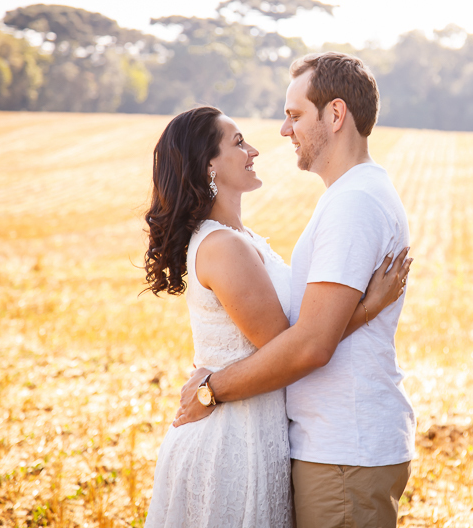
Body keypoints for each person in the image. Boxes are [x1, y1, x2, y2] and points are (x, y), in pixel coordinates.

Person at [173, 52, 416, 527]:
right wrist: (366, 308)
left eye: (295, 115)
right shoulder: (348, 197)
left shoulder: (353, 204)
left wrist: (212, 389)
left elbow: (310, 343)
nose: (284, 131)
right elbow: (308, 332)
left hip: (345, 447)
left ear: (336, 114)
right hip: (336, 444)